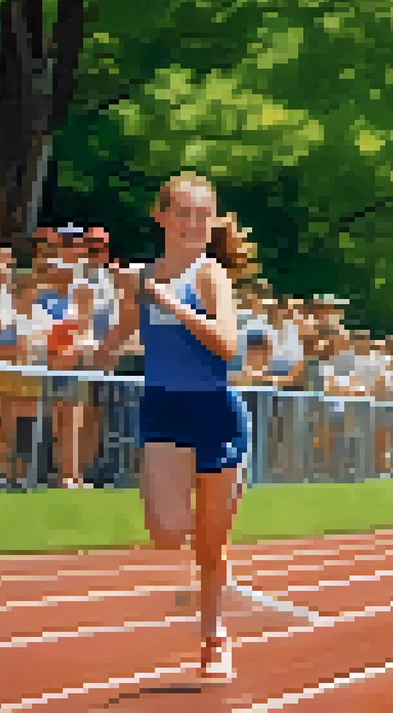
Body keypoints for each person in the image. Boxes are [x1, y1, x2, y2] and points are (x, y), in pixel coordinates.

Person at [95, 172, 255, 683]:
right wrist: (89, 354)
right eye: (181, 212)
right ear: (159, 216)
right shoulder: (142, 277)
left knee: (210, 543)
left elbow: (228, 345)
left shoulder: (210, 276)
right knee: (168, 531)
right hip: (163, 408)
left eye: (201, 215)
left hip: (215, 415)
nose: (191, 223)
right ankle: (211, 580)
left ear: (211, 224)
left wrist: (175, 306)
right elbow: (118, 335)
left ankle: (214, 638)